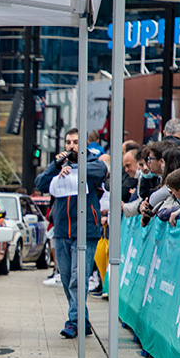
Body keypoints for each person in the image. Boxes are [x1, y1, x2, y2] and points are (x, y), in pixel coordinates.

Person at [34, 128, 107, 338]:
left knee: (78, 278)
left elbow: (100, 171)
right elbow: (40, 184)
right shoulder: (58, 165)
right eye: (68, 142)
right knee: (66, 279)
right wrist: (56, 167)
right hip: (62, 231)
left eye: (75, 142)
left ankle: (73, 322)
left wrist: (73, 168)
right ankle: (82, 320)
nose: (71, 146)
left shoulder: (94, 162)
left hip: (86, 230)